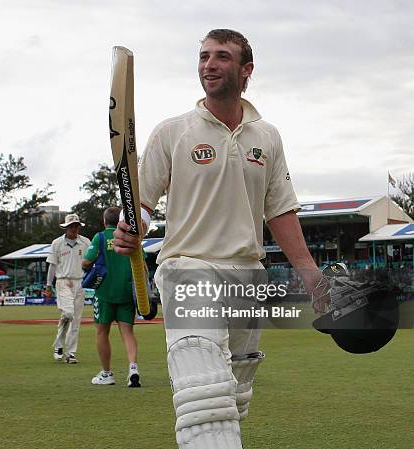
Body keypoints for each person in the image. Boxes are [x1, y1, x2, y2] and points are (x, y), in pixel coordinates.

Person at [113, 29, 330, 449]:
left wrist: (308, 271)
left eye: (222, 57)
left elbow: (280, 209)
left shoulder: (266, 136)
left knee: (233, 398)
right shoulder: (172, 131)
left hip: (247, 276)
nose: (209, 64)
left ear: (246, 70)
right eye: (204, 56)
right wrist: (132, 224)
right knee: (205, 397)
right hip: (188, 268)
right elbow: (140, 200)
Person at [82, 206, 141, 387]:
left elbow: (86, 260)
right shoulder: (132, 238)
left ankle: (107, 373)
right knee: (127, 332)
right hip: (126, 292)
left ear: (104, 220)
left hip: (104, 292)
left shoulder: (100, 237)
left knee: (102, 332)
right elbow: (142, 261)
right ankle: (133, 368)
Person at [44, 213, 91, 364]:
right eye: (71, 226)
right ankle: (59, 345)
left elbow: (91, 262)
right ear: (66, 227)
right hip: (63, 282)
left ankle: (70, 353)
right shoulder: (57, 243)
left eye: (76, 225)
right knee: (68, 313)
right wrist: (48, 285)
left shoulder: (85, 243)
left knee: (75, 320)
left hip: (80, 282)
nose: (74, 229)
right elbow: (52, 265)